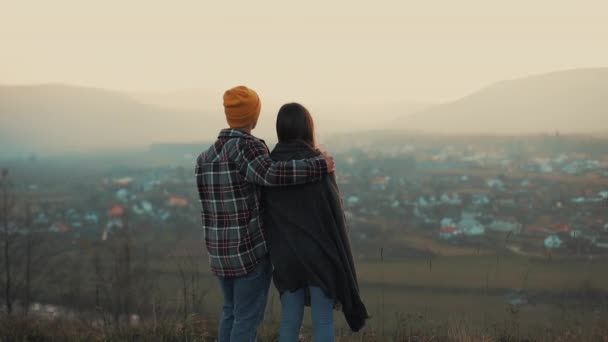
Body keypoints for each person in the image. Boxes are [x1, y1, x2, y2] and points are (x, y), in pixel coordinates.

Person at [195, 87, 335, 342]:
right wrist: (319, 165)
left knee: (230, 311)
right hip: (248, 253)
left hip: (219, 254)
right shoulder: (247, 148)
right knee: (247, 319)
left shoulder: (205, 157)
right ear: (254, 116)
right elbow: (272, 174)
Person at [263, 103, 369, 342]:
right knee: (323, 321)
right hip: (320, 256)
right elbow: (334, 217)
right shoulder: (320, 163)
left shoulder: (269, 166)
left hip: (286, 256)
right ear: (307, 127)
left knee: (290, 321)